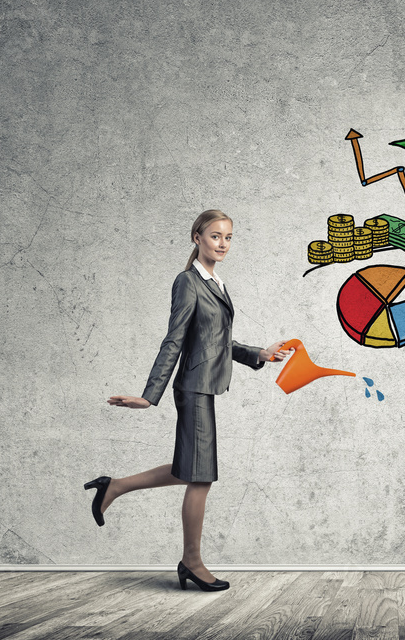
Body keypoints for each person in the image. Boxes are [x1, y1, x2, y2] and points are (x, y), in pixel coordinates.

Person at [85, 209, 291, 592]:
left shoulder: (216, 283)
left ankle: (113, 486)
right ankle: (191, 562)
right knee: (201, 476)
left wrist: (259, 354)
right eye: (215, 236)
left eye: (228, 237)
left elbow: (217, 341)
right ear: (197, 237)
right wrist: (149, 396)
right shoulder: (187, 282)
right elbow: (174, 340)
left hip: (205, 386)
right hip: (193, 388)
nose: (223, 244)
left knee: (190, 468)